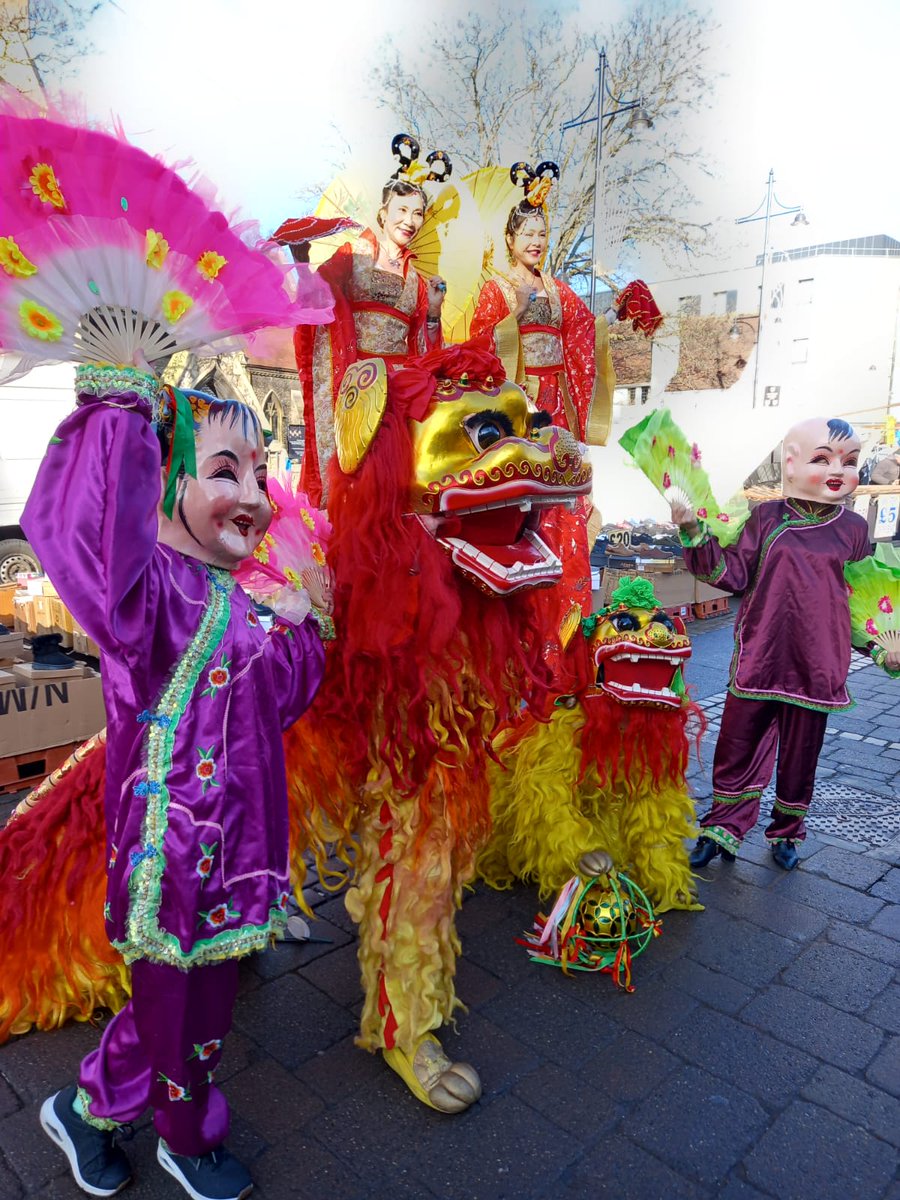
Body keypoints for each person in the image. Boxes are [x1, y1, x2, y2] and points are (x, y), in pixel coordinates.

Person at [24, 368, 326, 1200]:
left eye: (260, 474)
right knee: (172, 1009)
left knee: (203, 1006)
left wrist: (310, 623)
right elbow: (89, 535)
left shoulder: (236, 600)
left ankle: (96, 1111)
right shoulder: (146, 589)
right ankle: (174, 1131)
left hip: (236, 850)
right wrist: (119, 412)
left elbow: (282, 695)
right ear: (165, 486)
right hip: (170, 855)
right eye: (226, 471)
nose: (257, 497)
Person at [673, 416, 900, 872]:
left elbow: (858, 604)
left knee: (801, 757)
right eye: (823, 458)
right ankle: (723, 827)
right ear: (791, 464)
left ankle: (787, 832)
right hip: (762, 654)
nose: (838, 469)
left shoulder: (855, 529)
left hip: (818, 664)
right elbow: (731, 574)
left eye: (850, 461)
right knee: (736, 745)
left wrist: (880, 648)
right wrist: (694, 533)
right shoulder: (766, 517)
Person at [469, 161, 617, 620]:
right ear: (510, 240)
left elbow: (582, 339)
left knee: (565, 506)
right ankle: (524, 615)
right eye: (527, 233)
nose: (535, 241)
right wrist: (513, 315)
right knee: (524, 504)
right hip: (519, 407)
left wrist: (617, 313)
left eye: (541, 231)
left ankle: (565, 618)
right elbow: (479, 346)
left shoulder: (559, 290)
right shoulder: (495, 288)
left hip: (557, 406)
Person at [292, 134, 449, 506]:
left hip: (398, 390)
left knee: (396, 480)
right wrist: (301, 265)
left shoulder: (419, 279)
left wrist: (435, 312)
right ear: (384, 213)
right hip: (357, 380)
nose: (409, 221)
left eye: (417, 213)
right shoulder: (355, 253)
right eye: (402, 211)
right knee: (357, 479)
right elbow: (320, 299)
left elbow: (425, 350)